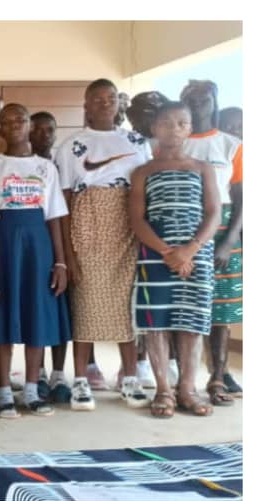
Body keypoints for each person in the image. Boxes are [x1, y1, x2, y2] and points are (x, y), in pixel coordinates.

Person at [55, 79, 152, 412]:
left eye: (110, 98)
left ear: (118, 104)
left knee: (125, 305)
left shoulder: (137, 141)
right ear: (86, 105)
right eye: (97, 99)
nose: (104, 103)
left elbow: (146, 190)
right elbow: (64, 199)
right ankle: (80, 381)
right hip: (87, 223)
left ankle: (129, 378)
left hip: (126, 226)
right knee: (85, 303)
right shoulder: (71, 145)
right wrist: (68, 254)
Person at [130, 100, 221, 418]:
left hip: (197, 256)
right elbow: (138, 220)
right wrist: (169, 253)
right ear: (154, 128)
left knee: (191, 322)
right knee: (157, 323)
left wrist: (190, 249)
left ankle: (187, 389)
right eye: (166, 122)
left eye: (181, 122)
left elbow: (214, 213)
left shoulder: (202, 168)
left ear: (190, 128)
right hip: (156, 256)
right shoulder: (143, 172)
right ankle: (163, 391)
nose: (174, 128)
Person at [0, 103, 70, 418]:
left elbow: (54, 218)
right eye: (6, 120)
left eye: (20, 119)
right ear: (0, 128)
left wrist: (60, 263)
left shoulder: (46, 167)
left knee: (37, 315)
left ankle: (32, 388)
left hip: (38, 246)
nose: (14, 124)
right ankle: (5, 391)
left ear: (29, 124)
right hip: (3, 244)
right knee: (4, 316)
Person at [181, 80, 243, 402]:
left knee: (220, 311)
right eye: (190, 100)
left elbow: (243, 197)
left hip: (221, 234)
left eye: (204, 100)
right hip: (183, 231)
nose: (197, 106)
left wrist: (229, 241)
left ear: (214, 102)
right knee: (183, 306)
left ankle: (217, 379)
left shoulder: (231, 145)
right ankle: (183, 382)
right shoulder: (173, 142)